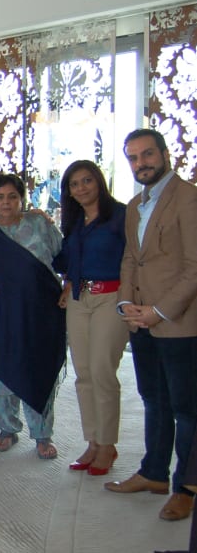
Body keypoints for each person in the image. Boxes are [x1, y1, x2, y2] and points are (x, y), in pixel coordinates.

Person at [105, 128, 197, 523]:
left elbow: (195, 268)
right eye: (133, 157)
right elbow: (131, 259)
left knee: (186, 408)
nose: (140, 163)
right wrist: (127, 303)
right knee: (153, 399)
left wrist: (158, 311)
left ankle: (185, 488)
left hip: (179, 322)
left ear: (164, 154)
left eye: (147, 155)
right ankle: (154, 472)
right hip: (140, 320)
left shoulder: (189, 198)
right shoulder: (134, 205)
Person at [0, 173, 65, 460]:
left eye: (12, 196)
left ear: (22, 198)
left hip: (38, 312)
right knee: (0, 371)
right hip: (0, 314)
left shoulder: (39, 224)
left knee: (36, 369)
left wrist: (69, 285)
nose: (6, 202)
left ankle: (42, 435)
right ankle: (7, 429)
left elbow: (65, 257)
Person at [53, 160, 128, 476]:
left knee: (101, 370)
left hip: (111, 297)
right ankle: (93, 441)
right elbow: (69, 260)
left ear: (99, 182)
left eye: (87, 181)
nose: (81, 188)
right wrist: (69, 282)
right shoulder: (74, 222)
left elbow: (134, 259)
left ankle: (108, 445)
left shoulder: (120, 215)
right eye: (74, 184)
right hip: (79, 299)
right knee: (83, 373)